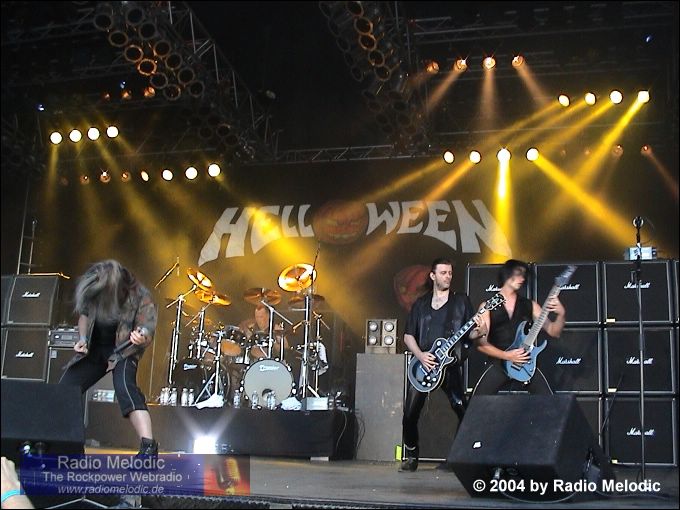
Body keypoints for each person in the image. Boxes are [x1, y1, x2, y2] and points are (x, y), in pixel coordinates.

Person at [59, 260, 159, 455]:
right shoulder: (96, 289)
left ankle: (149, 448)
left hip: (124, 351)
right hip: (96, 349)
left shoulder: (140, 295)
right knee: (65, 390)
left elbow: (148, 328)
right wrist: (82, 339)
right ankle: (69, 445)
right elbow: (84, 316)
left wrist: (141, 337)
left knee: (126, 389)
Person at [401, 258, 474, 472]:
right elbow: (408, 336)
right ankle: (412, 455)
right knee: (409, 414)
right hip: (423, 365)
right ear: (433, 276)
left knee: (461, 408)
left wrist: (481, 330)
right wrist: (421, 356)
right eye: (443, 273)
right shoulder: (420, 304)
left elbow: (471, 333)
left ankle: (459, 457)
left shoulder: (461, 301)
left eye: (450, 273)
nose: (448, 276)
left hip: (448, 365)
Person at [468, 259, 566, 395]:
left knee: (549, 401)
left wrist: (561, 314)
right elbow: (481, 345)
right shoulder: (488, 306)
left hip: (526, 361)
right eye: (518, 274)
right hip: (499, 362)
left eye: (524, 275)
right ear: (507, 274)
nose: (522, 278)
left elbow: (553, 331)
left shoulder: (530, 305)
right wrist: (507, 355)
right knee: (477, 402)